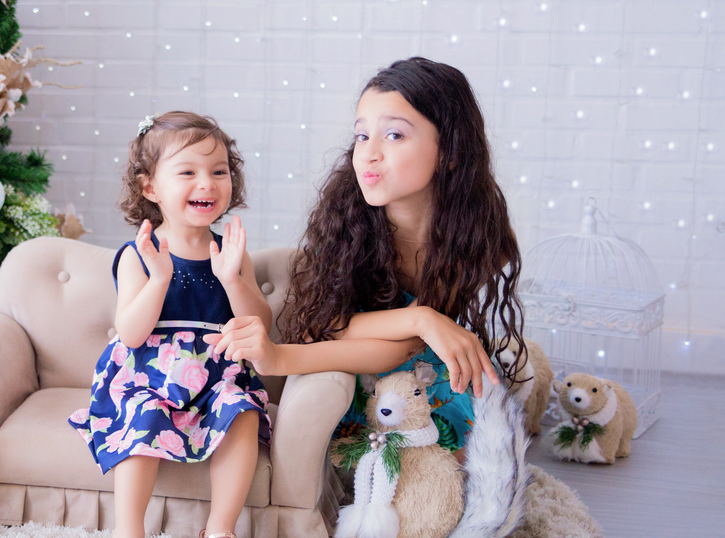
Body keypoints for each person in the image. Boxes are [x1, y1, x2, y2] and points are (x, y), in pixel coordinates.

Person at [206, 57, 527, 456]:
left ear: (450, 151)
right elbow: (326, 326)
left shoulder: (477, 232)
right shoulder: (347, 223)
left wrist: (423, 324)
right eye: (361, 136)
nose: (368, 154)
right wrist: (422, 318)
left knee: (482, 424)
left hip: (416, 371)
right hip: (346, 370)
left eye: (393, 135)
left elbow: (412, 344)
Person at [68, 111, 275, 538]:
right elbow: (132, 334)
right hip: (146, 376)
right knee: (142, 414)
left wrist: (231, 278)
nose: (207, 181)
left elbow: (258, 321)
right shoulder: (138, 253)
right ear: (151, 187)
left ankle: (219, 536)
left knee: (242, 411)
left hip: (214, 377)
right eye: (188, 171)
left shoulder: (230, 250)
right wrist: (159, 278)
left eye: (219, 170)